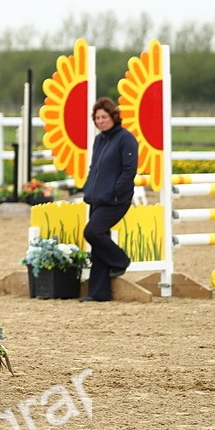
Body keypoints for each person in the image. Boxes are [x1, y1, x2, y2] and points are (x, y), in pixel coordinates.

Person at [80, 97, 139, 302]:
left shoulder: (125, 138)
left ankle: (121, 261)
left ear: (113, 116)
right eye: (97, 118)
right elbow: (94, 168)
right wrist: (88, 189)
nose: (100, 121)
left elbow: (129, 170)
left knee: (92, 232)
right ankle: (99, 293)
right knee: (98, 246)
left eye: (104, 117)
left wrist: (116, 192)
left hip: (116, 200)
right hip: (97, 199)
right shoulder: (99, 140)